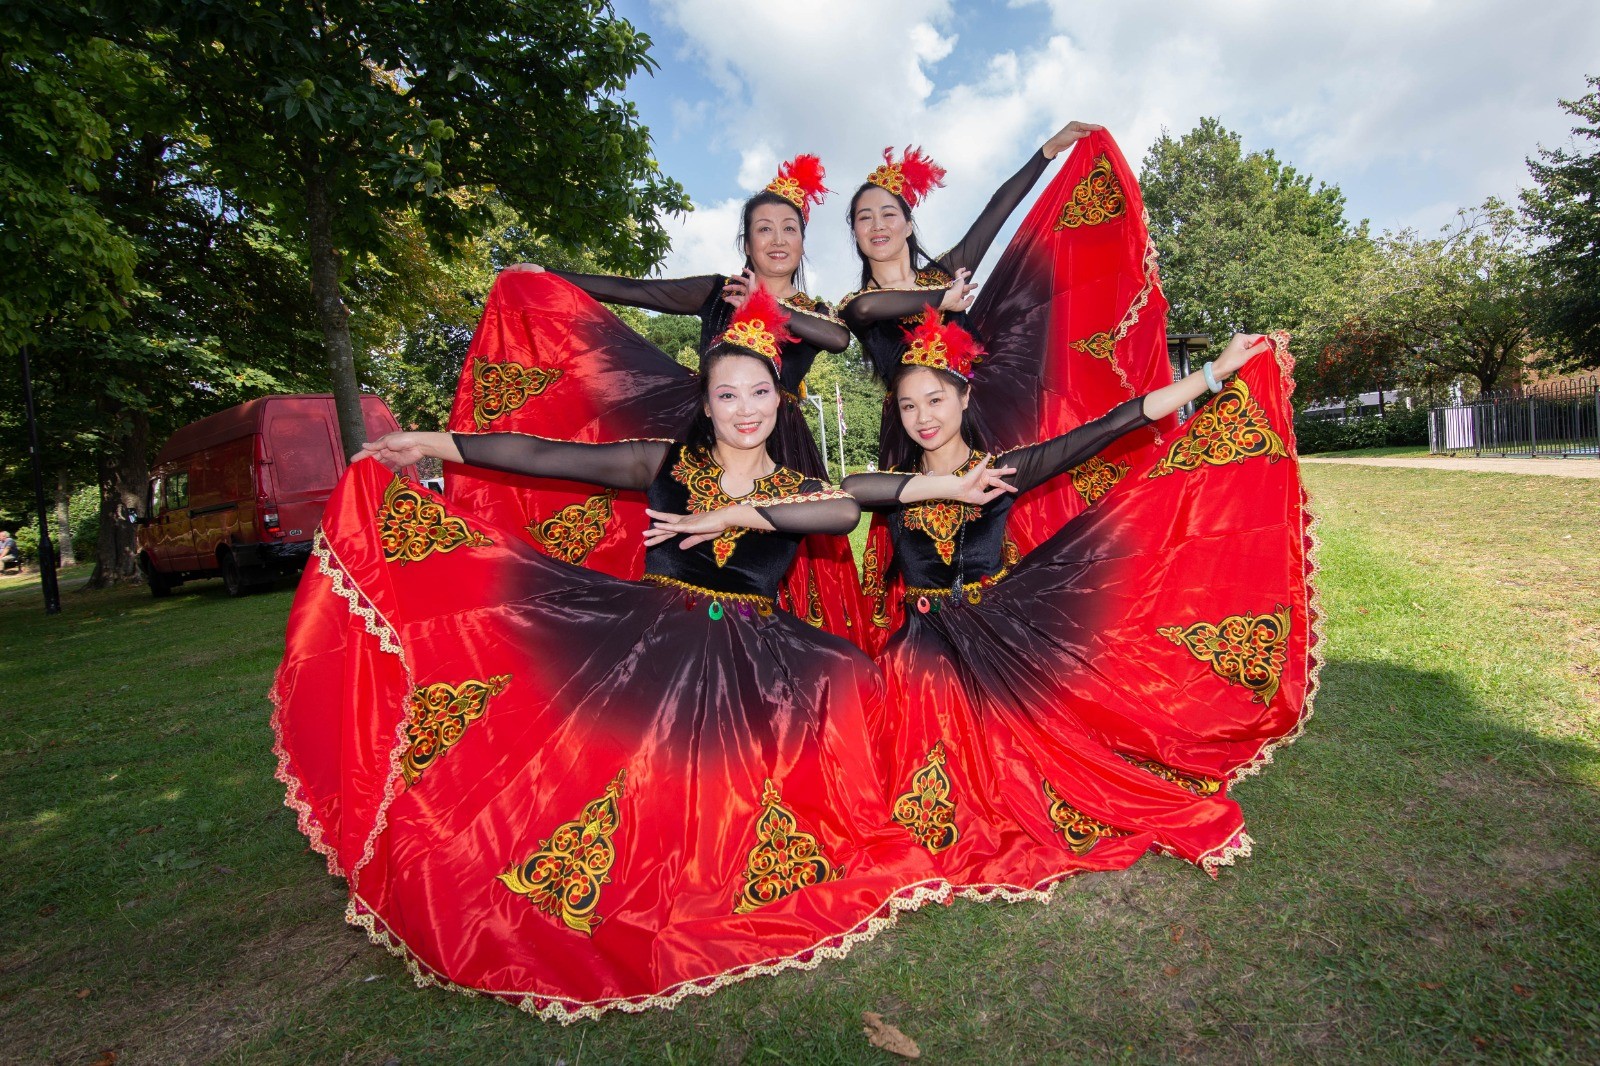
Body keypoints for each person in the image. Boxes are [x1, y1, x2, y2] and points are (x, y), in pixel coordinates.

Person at [270, 291, 943, 1020]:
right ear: (706, 403)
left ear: (778, 401)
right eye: (727, 394)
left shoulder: (804, 486)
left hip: (753, 653)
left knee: (846, 676)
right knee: (610, 769)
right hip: (652, 639)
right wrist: (430, 443)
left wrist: (733, 514)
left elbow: (841, 513)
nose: (745, 409)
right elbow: (540, 455)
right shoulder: (663, 461)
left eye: (758, 393)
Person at [841, 307, 1318, 895]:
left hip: (997, 632)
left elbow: (1111, 427)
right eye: (909, 406)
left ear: (964, 400)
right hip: (922, 640)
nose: (923, 417)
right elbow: (850, 492)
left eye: (935, 400)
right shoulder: (894, 484)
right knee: (912, 715)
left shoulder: (1004, 471)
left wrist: (1212, 375)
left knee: (1038, 752)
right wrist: (947, 487)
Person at [444, 153, 866, 640]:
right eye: (763, 229)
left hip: (779, 442)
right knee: (678, 547)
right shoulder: (716, 291)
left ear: (802, 241)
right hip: (703, 434)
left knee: (779, 557)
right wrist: (555, 278)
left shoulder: (815, 312)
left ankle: (776, 649)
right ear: (746, 243)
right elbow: (639, 291)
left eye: (789, 228)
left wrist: (762, 304)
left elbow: (838, 340)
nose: (777, 239)